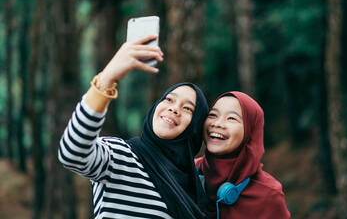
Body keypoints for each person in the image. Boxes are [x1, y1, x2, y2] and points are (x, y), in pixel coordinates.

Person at [58, 35, 208, 219]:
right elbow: (72, 154)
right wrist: (107, 78)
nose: (174, 108)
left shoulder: (195, 189)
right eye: (169, 99)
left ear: (195, 127)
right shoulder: (120, 155)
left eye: (187, 108)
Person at [195, 91, 291, 219]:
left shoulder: (269, 195)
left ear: (250, 131)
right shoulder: (186, 171)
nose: (217, 123)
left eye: (231, 118)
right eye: (213, 115)